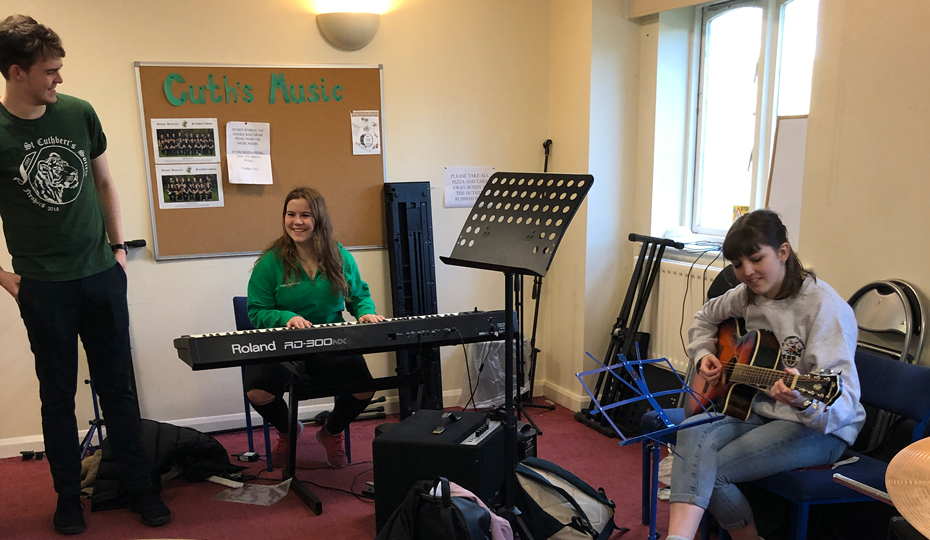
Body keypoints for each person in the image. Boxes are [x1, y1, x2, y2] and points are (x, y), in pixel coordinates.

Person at [0, 15, 170, 535]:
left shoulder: (78, 114)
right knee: (57, 395)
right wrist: (5, 277)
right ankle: (68, 498)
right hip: (42, 287)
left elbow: (103, 181)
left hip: (100, 274)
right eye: (50, 71)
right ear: (15, 71)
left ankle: (139, 489)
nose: (59, 80)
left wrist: (118, 250)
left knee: (118, 389)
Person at [665, 209, 866, 540]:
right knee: (689, 433)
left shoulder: (824, 308)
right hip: (755, 408)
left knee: (707, 471)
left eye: (757, 259)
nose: (746, 272)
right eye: (737, 265)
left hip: (819, 428)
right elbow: (704, 317)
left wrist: (803, 402)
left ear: (783, 252)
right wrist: (703, 355)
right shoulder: (747, 296)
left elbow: (842, 403)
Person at [245, 187, 384, 469]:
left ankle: (330, 432)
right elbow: (257, 311)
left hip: (331, 341)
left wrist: (366, 313)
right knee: (257, 392)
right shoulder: (270, 261)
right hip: (284, 344)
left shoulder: (338, 254)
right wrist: (284, 317)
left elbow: (358, 296)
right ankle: (287, 430)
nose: (297, 221)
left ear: (318, 218)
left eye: (305, 215)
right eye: (291, 214)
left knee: (363, 390)